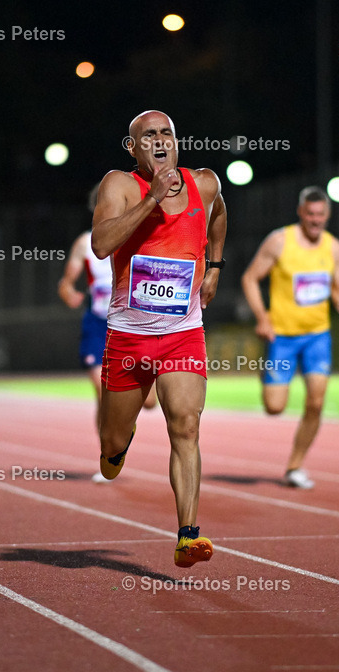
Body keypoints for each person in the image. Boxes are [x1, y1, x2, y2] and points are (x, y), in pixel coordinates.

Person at [91, 110, 227, 568]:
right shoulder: (119, 185)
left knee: (185, 427)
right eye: (148, 135)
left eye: (167, 132)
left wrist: (214, 268)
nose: (160, 140)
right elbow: (101, 244)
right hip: (128, 339)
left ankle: (188, 535)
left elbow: (220, 214)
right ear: (133, 149)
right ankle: (117, 447)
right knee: (111, 442)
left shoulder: (204, 183)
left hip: (181, 335)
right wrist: (150, 200)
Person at [240, 185, 339, 489]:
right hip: (283, 338)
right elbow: (250, 278)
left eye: (321, 215)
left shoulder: (334, 247)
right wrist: (263, 318)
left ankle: (295, 466)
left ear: (327, 215)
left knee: (316, 403)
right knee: (274, 407)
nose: (316, 220)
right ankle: (268, 376)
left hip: (317, 336)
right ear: (301, 213)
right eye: (311, 214)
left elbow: (338, 283)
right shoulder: (279, 241)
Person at [58, 185, 155, 484]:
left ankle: (125, 425)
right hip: (99, 325)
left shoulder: (140, 237)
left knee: (149, 403)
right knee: (104, 394)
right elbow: (66, 282)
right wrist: (68, 293)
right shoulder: (85, 243)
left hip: (134, 324)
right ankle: (108, 453)